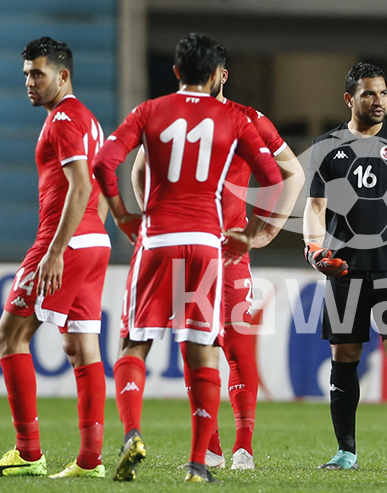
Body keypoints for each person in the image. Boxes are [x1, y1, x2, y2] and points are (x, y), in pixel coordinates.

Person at [93, 33, 282, 483]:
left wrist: (122, 215)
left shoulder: (150, 111)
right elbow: (273, 177)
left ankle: (132, 433)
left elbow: (104, 162)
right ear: (216, 75)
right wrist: (253, 234)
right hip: (208, 244)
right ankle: (200, 462)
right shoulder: (232, 117)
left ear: (176, 71)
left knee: (135, 343)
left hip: (157, 239)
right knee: (204, 351)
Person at [129, 42, 305, 471]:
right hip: (207, 247)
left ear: (221, 75)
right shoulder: (189, 115)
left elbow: (292, 172)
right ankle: (212, 447)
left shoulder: (247, 119)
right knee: (200, 344)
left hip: (224, 252)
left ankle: (242, 446)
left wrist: (266, 232)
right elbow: (138, 172)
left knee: (233, 346)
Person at [0, 37, 122, 479]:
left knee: (9, 338)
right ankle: (90, 461)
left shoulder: (63, 120)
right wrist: (92, 235)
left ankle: (27, 452)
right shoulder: (88, 119)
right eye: (26, 74)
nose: (29, 82)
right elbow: (98, 183)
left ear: (63, 75)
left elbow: (79, 185)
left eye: (37, 74)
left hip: (65, 243)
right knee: (81, 347)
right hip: (94, 240)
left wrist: (57, 251)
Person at [303, 62, 387, 471]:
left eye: (382, 93)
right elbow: (314, 208)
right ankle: (346, 452)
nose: (378, 101)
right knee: (344, 357)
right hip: (344, 269)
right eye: (368, 94)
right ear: (350, 99)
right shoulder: (327, 147)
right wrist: (314, 250)